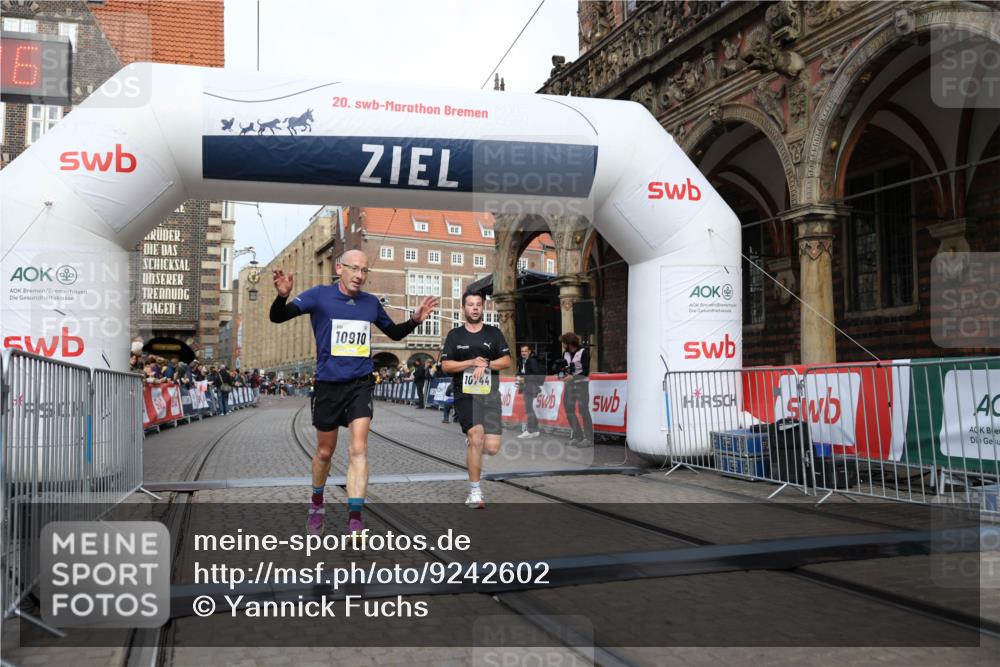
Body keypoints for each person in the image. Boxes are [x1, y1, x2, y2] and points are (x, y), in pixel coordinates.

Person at [270, 249, 438, 536]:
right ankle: (317, 503)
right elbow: (278, 317)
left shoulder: (370, 303)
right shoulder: (319, 295)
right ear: (340, 267)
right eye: (355, 269)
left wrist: (415, 320)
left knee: (358, 449)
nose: (360, 275)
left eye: (364, 270)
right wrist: (283, 295)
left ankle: (355, 516)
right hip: (327, 385)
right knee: (324, 452)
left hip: (360, 384)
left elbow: (394, 334)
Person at [440, 291, 512, 508]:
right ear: (464, 308)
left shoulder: (494, 333)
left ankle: (474, 441)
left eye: (478, 305)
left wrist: (487, 364)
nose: (474, 308)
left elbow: (507, 360)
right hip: (465, 394)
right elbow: (446, 365)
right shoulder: (455, 335)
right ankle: (475, 492)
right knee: (477, 436)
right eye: (470, 304)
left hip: (490, 395)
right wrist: (471, 362)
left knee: (491, 448)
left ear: (483, 308)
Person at [559, 332, 593, 445]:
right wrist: (562, 374)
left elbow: (585, 371)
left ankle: (589, 438)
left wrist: (572, 377)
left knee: (583, 410)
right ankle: (577, 436)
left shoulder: (584, 352)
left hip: (581, 384)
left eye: (564, 343)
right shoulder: (565, 353)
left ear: (569, 343)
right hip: (569, 386)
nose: (562, 345)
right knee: (569, 410)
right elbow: (565, 368)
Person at [515, 344, 544, 438]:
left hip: (532, 386)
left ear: (529, 351)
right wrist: (518, 375)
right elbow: (521, 372)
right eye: (522, 351)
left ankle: (530, 430)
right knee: (529, 408)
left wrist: (525, 379)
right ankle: (535, 430)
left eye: (525, 351)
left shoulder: (532, 361)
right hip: (525, 386)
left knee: (529, 409)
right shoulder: (521, 360)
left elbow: (537, 375)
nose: (523, 353)